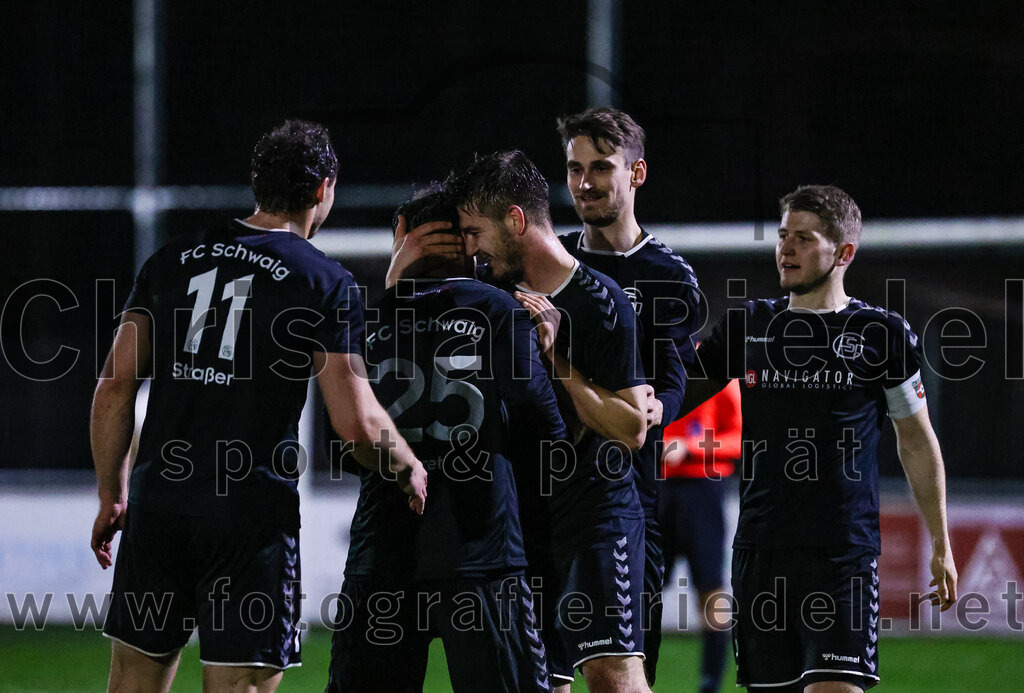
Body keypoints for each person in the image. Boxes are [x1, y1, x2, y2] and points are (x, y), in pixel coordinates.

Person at [90, 120, 427, 693]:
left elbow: (114, 387)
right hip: (250, 519)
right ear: (324, 188)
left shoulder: (171, 260)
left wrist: (112, 493)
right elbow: (356, 423)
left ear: (257, 185)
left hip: (160, 509)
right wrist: (408, 465)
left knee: (131, 685)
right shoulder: (323, 280)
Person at [681, 185, 958, 691]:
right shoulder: (749, 325)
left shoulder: (881, 334)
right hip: (760, 556)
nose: (785, 248)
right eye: (783, 235)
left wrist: (940, 541)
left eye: (804, 238)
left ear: (844, 253)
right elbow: (665, 398)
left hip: (841, 558)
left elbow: (917, 441)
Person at [326, 188, 565, 692]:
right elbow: (545, 424)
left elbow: (346, 446)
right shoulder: (501, 311)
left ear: (401, 234)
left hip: (383, 555)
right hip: (481, 552)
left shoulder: (369, 320)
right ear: (466, 240)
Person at [449, 150, 652, 693]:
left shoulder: (600, 300)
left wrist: (559, 362)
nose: (469, 249)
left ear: (515, 221)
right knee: (542, 685)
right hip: (524, 522)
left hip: (594, 515)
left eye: (475, 232)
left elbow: (632, 428)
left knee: (612, 676)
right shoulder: (489, 302)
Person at [556, 106, 704, 685]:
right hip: (549, 490)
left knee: (621, 673)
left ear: (636, 173)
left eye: (599, 168)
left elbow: (678, 374)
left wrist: (660, 409)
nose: (583, 183)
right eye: (573, 168)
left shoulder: (669, 274)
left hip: (628, 494)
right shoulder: (555, 265)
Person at [660, 379, 742, 693]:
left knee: (711, 590)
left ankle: (710, 684)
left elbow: (738, 439)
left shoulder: (719, 377)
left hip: (703, 488)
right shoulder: (653, 369)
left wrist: (692, 448)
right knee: (645, 590)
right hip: (659, 489)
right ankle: (638, 676)